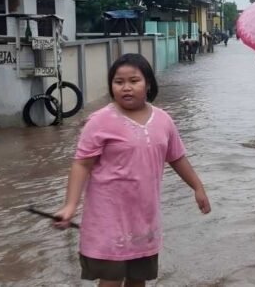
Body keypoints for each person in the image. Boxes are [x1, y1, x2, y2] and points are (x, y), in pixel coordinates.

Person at [54, 54, 211, 286]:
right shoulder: (100, 121)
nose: (126, 88)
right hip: (107, 219)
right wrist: (70, 205)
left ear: (148, 84)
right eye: (119, 82)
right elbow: (81, 164)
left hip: (144, 219)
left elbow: (177, 158)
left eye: (134, 81)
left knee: (138, 280)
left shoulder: (163, 120)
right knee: (110, 279)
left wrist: (198, 187)